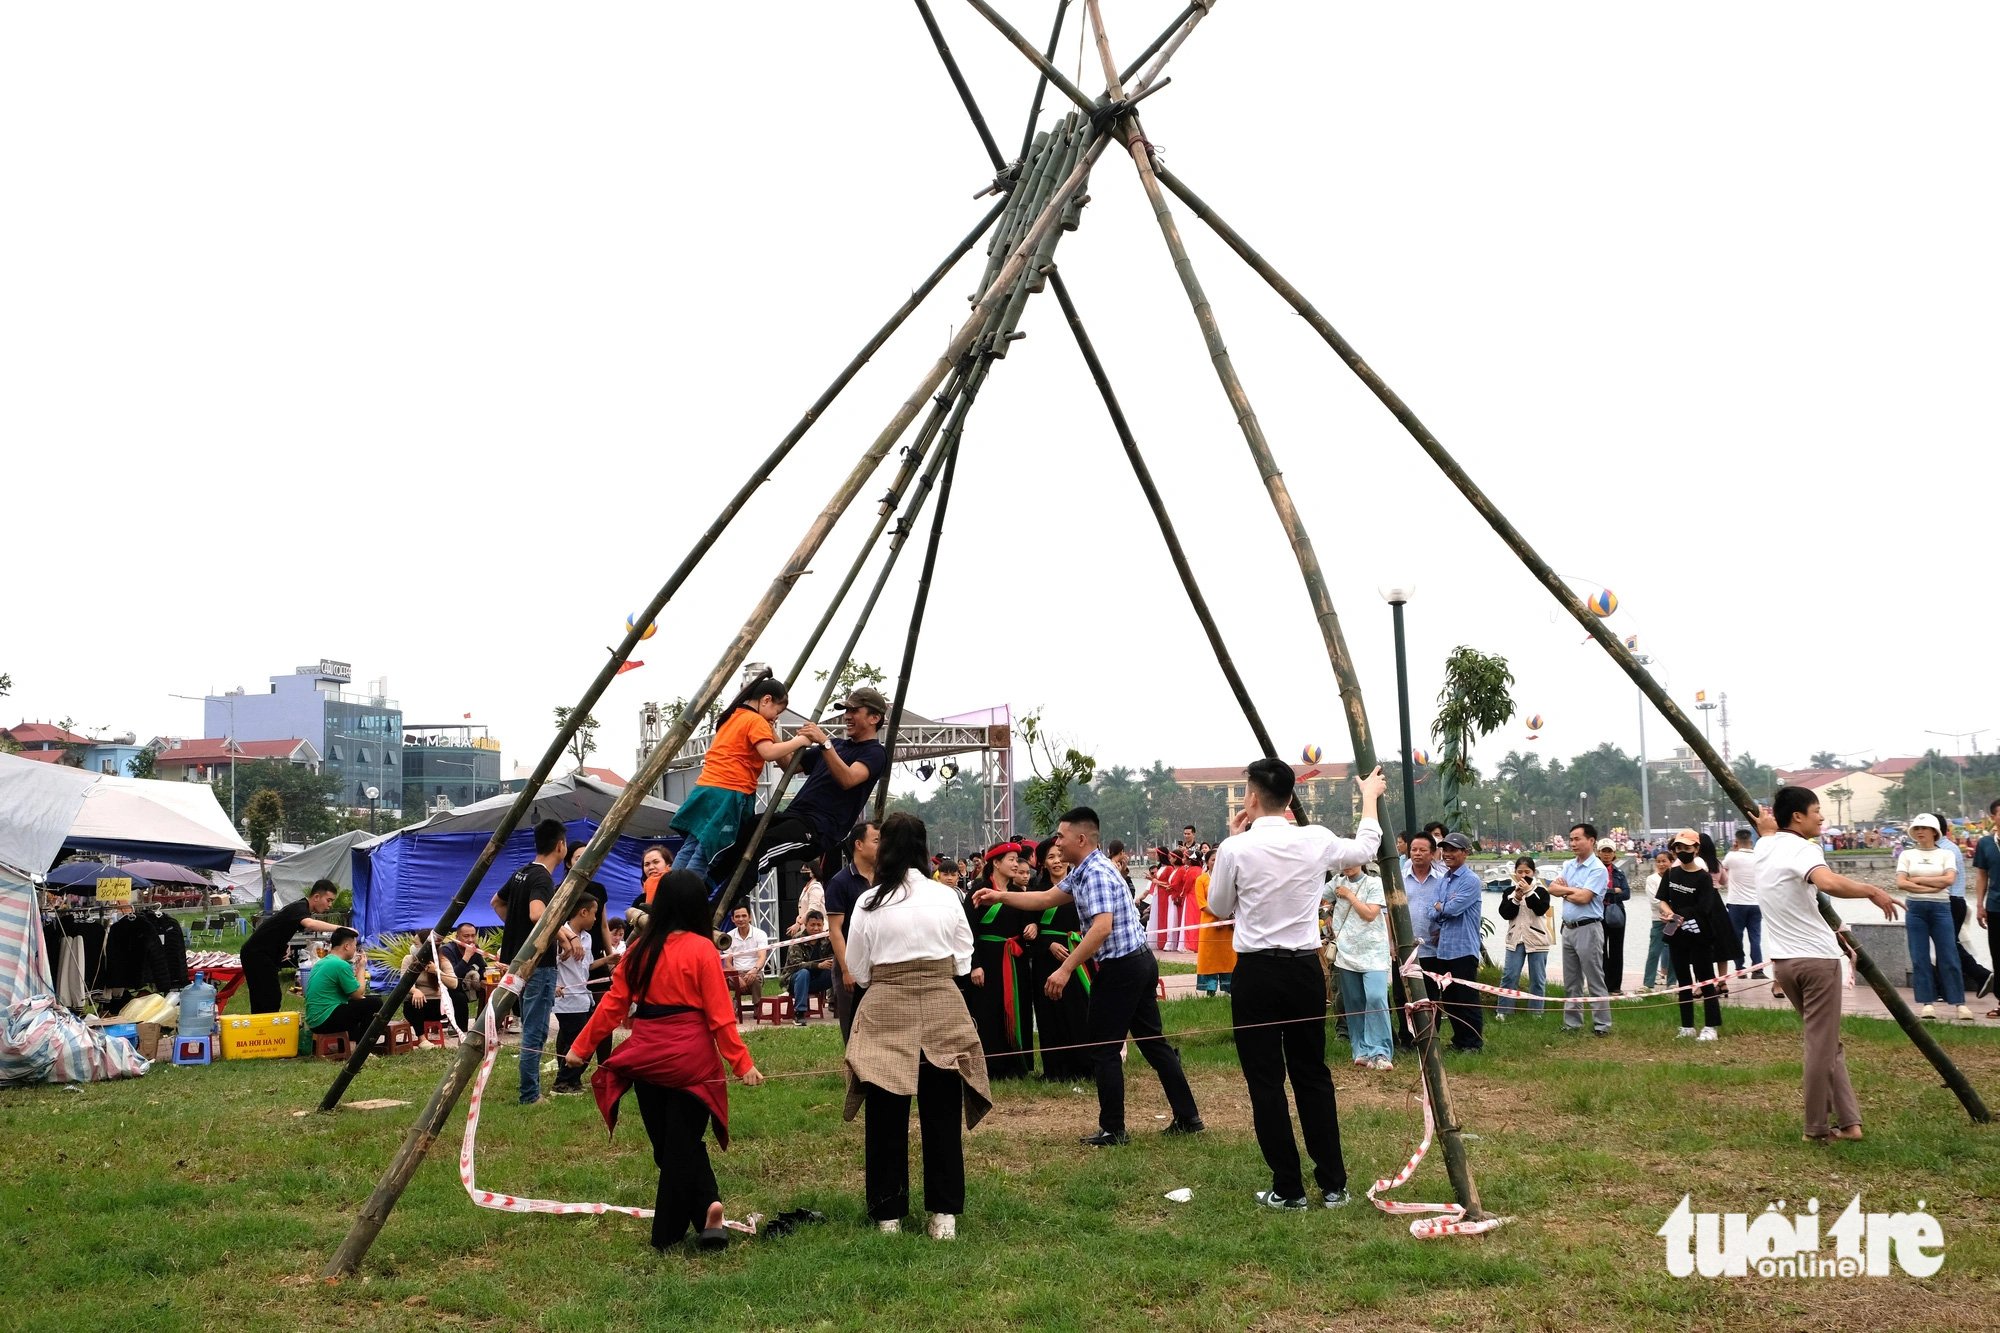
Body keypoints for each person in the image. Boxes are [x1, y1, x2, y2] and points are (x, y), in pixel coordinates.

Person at [1207, 760, 1385, 1209]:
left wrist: (1233, 839)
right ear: (1291, 798)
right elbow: (1366, 846)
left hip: (1257, 973)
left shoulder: (1235, 847)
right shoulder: (1315, 838)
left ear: (1250, 797)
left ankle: (1288, 1187)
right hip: (1305, 968)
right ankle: (1333, 1184)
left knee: (1265, 1080)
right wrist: (1368, 797)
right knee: (1312, 1074)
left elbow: (1219, 905)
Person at [976, 807, 1202, 1147]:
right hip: (1137, 962)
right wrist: (1001, 895)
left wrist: (1065, 970)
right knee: (1153, 1044)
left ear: (1081, 839)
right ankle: (1188, 1116)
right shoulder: (1085, 869)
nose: (1058, 842)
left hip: (1122, 967)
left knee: (1104, 1048)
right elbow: (1048, 897)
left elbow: (1101, 928)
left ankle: (1114, 1129)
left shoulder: (1095, 873)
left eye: (1062, 836)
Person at [565, 870, 764, 1251]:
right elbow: (720, 1016)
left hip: (648, 1058)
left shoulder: (640, 949)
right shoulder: (703, 949)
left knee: (671, 1146)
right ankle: (705, 1211)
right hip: (692, 1060)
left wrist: (580, 1047)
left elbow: (612, 1005)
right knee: (681, 1144)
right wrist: (741, 1064)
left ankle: (694, 1223)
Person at [842, 811, 989, 1238]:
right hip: (943, 1004)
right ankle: (944, 1217)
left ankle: (888, 1216)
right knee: (941, 1114)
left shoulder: (868, 901)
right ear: (924, 849)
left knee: (885, 1113)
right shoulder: (948, 896)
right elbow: (964, 957)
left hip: (886, 1005)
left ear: (884, 848)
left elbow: (859, 970)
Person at [1753, 788, 1900, 1142]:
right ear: (1798, 817)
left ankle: (1850, 1124)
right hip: (1817, 961)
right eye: (1817, 811)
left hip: (1785, 965)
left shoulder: (1764, 846)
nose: (1822, 818)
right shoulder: (1805, 849)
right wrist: (1871, 890)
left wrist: (1766, 827)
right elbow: (1828, 882)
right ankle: (1816, 1128)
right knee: (1821, 1046)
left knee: (1828, 1042)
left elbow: (1770, 835)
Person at [708, 686, 891, 891]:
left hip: (817, 828)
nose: (847, 716)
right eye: (846, 711)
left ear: (874, 718)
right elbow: (789, 764)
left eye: (854, 711)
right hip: (795, 816)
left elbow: (848, 779)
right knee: (747, 831)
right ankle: (705, 886)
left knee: (762, 849)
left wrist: (823, 742)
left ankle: (716, 909)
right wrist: (770, 732)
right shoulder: (837, 745)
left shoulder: (875, 753)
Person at [669, 673, 819, 886]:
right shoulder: (755, 720)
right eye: (777, 711)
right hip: (729, 792)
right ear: (766, 700)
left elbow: (784, 761)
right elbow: (768, 752)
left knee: (692, 846)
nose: (776, 717)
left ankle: (666, 897)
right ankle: (682, 899)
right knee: (706, 853)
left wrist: (778, 735)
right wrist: (800, 740)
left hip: (706, 788)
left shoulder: (733, 715)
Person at [491, 818, 568, 1104]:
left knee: (528, 1025)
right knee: (535, 1030)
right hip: (538, 964)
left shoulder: (521, 872)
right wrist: (562, 936)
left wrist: (516, 929)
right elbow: (538, 914)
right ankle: (530, 1094)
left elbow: (496, 903)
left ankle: (529, 1089)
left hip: (516, 962)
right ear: (560, 846)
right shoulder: (542, 878)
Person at [965, 841, 1035, 1080]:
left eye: (1018, 859)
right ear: (996, 863)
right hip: (988, 959)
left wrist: (1032, 926)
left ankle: (1018, 1064)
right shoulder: (978, 890)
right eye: (1012, 860)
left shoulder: (1017, 894)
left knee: (1017, 1008)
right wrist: (974, 964)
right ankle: (991, 1068)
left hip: (1015, 960)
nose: (1016, 864)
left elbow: (1027, 919)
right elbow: (968, 931)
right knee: (989, 1011)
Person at [1024, 839, 1092, 1082]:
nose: (1057, 861)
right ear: (1043, 862)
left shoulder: (1080, 885)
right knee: (1049, 1013)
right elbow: (1027, 929)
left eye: (1060, 855)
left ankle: (1084, 1067)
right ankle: (1055, 1070)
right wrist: (1047, 944)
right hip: (1046, 960)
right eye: (1051, 857)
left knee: (1078, 1009)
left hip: (1076, 956)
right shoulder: (1035, 891)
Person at [1658, 829, 1731, 1040]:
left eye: (1687, 847)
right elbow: (1662, 898)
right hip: (1675, 932)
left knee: (1706, 979)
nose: (1682, 851)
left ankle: (1711, 1026)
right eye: (1678, 848)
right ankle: (1687, 1026)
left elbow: (1705, 907)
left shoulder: (1703, 878)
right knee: (1683, 980)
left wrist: (1680, 915)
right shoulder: (1671, 874)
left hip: (1700, 934)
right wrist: (1669, 913)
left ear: (1696, 849)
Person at [1896, 813, 1968, 1021]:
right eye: (1917, 828)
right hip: (1915, 909)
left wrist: (1916, 879)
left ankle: (1959, 1003)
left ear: (1934, 832)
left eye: (1924, 828)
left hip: (1941, 908)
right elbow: (1901, 883)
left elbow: (1949, 880)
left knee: (1949, 955)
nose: (1920, 832)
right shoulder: (1906, 855)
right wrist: (1932, 881)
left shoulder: (1946, 854)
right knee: (1920, 957)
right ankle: (1927, 1003)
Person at [1326, 860, 1392, 1069]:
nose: (1347, 866)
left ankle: (1380, 1051)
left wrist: (1349, 895)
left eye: (1352, 862)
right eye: (1343, 862)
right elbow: (1315, 898)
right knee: (1353, 1001)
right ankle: (1361, 1049)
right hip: (1346, 952)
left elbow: (1370, 914)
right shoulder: (1336, 882)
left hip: (1373, 951)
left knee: (1375, 997)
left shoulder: (1374, 883)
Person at [240, 880, 340, 1014]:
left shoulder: (300, 907)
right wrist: (341, 928)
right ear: (316, 897)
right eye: (328, 900)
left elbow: (281, 925)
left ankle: (263, 1029)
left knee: (267, 997)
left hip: (261, 953)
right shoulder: (300, 908)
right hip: (257, 954)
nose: (330, 905)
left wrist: (284, 944)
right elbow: (310, 924)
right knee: (269, 997)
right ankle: (265, 1030)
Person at [1549, 823, 1612, 1036]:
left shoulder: (1597, 869)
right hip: (1568, 928)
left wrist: (1564, 891)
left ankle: (1602, 1025)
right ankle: (1572, 1023)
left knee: (1594, 978)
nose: (1573, 843)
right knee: (1571, 981)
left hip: (1589, 929)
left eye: (1578, 839)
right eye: (1571, 839)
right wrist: (1571, 891)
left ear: (1591, 841)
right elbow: (1552, 888)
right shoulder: (1569, 865)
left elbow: (1585, 898)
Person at [1933, 811, 1993, 1003]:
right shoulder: (1942, 848)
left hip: (1949, 902)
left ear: (1935, 830)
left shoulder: (1945, 850)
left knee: (1947, 945)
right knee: (1946, 945)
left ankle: (1980, 975)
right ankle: (1945, 989)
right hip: (1949, 902)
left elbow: (1942, 880)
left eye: (1923, 828)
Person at [549, 896, 601, 1094]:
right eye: (594, 913)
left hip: (584, 997)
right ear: (584, 912)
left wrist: (607, 961)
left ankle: (573, 1080)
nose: (596, 919)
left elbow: (586, 967)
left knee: (581, 1041)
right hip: (567, 1000)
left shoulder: (587, 938)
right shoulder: (560, 935)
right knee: (577, 1043)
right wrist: (553, 985)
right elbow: (549, 963)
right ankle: (562, 1083)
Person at [1495, 856, 1552, 1019]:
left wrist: (1528, 892)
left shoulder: (1541, 890)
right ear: (1515, 873)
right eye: (1519, 872)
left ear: (1533, 873)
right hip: (1515, 939)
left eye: (1527, 871)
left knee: (1537, 979)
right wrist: (1516, 898)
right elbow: (1505, 914)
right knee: (1509, 976)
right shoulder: (1509, 892)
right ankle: (1503, 1011)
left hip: (1537, 939)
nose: (1523, 875)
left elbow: (1541, 909)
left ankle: (1536, 1014)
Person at [304, 927, 380, 1045]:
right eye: (355, 946)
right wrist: (361, 968)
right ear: (346, 946)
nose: (355, 949)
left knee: (354, 1006)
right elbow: (358, 994)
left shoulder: (323, 962)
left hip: (314, 1020)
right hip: (325, 1019)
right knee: (374, 1003)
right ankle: (362, 1048)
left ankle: (348, 1045)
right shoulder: (340, 965)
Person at [1720, 828, 1764, 985]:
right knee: (1755, 937)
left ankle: (1740, 968)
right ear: (1751, 842)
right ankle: (1758, 969)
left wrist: (1734, 850)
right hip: (1756, 903)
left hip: (1737, 903)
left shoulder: (1731, 856)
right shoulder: (1758, 856)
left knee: (1736, 937)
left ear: (1736, 842)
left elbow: (1722, 870)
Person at [1191, 848, 1237, 995]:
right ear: (1207, 862)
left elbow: (1235, 898)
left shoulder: (1229, 879)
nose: (1216, 863)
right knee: (1209, 956)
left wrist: (1228, 914)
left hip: (1227, 925)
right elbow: (1202, 904)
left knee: (1228, 956)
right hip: (1210, 925)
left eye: (1219, 861)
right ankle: (1210, 988)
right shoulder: (1201, 879)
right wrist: (1219, 913)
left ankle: (1229, 987)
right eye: (1213, 860)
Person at [1974, 798, 2000, 1019]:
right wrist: (1979, 905)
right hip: (1995, 907)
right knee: (1998, 955)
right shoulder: (1985, 844)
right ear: (1993, 817)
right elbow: (1982, 875)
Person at [786, 910, 835, 1025]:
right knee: (803, 973)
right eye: (812, 925)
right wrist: (818, 965)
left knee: (838, 969)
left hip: (818, 980)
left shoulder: (826, 939)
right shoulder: (797, 940)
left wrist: (834, 944)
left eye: (819, 925)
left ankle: (838, 1006)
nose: (816, 928)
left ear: (823, 925)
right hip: (795, 980)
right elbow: (795, 965)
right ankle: (799, 1013)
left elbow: (833, 956)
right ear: (806, 925)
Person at [437, 921, 488, 1031]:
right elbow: (453, 976)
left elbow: (483, 968)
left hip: (470, 984)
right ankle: (461, 1030)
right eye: (466, 936)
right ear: (457, 936)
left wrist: (486, 975)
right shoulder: (446, 950)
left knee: (488, 991)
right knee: (459, 996)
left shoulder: (475, 948)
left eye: (473, 936)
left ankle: (482, 1025)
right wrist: (466, 957)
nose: (470, 939)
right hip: (452, 985)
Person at [719, 905, 770, 1007]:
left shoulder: (760, 934)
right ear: (733, 919)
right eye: (737, 917)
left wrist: (754, 970)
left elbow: (762, 957)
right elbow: (727, 963)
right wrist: (737, 977)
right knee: (719, 982)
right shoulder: (728, 936)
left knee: (754, 979)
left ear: (749, 917)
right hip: (736, 973)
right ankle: (727, 1008)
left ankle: (757, 1007)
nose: (741, 919)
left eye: (744, 916)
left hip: (755, 971)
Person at [1598, 841, 1631, 995]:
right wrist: (1614, 891)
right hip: (1598, 914)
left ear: (1614, 853)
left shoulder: (1619, 872)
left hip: (1617, 913)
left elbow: (1626, 893)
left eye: (1609, 851)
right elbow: (1594, 892)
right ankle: (1604, 984)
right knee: (1601, 950)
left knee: (1617, 950)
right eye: (1603, 851)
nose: (1606, 854)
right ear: (1598, 853)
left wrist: (1609, 892)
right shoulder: (1595, 872)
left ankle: (1616, 986)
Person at [1640, 851, 1673, 990]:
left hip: (1674, 921)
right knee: (1654, 950)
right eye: (1658, 861)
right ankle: (1648, 983)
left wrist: (1672, 914)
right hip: (1659, 920)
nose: (1661, 864)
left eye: (1664, 861)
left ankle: (1672, 983)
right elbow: (1655, 900)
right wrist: (1668, 910)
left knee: (1673, 950)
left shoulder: (1676, 878)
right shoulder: (1652, 879)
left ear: (1671, 861)